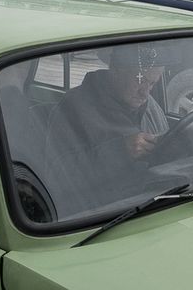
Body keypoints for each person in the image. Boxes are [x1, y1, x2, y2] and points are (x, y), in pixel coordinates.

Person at [45, 44, 169, 216]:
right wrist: (120, 151)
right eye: (140, 80)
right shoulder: (73, 108)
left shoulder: (151, 107)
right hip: (96, 215)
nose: (145, 93)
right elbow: (57, 177)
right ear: (116, 70)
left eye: (152, 83)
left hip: (150, 206)